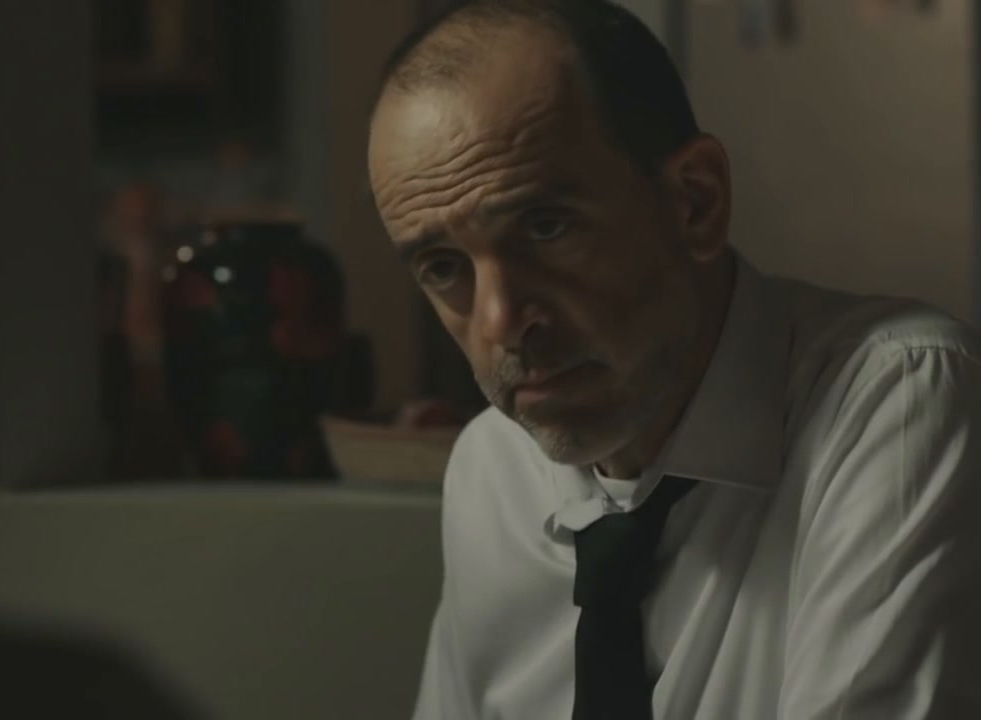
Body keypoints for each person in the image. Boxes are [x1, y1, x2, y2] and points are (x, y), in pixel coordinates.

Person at [365, 1, 981, 718]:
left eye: (545, 227)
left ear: (696, 202)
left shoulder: (898, 400)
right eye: (443, 267)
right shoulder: (493, 469)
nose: (500, 322)